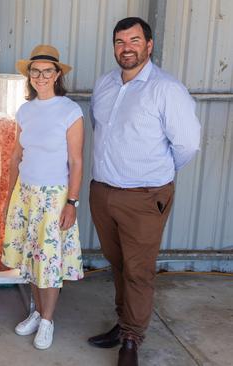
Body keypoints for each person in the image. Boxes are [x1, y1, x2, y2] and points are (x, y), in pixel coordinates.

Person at [88, 17, 200, 366]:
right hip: (103, 192)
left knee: (138, 270)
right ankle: (123, 324)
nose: (127, 48)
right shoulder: (105, 84)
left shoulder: (166, 89)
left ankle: (132, 339)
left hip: (144, 196)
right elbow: (101, 129)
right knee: (118, 263)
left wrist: (157, 177)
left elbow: (187, 144)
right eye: (120, 41)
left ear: (148, 45)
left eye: (134, 40)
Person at [2, 44, 84, 350]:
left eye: (47, 71)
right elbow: (15, 157)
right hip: (25, 194)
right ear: (29, 75)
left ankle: (48, 319)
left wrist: (72, 203)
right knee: (32, 258)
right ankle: (37, 312)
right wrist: (10, 198)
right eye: (35, 71)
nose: (41, 76)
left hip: (53, 197)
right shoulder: (24, 110)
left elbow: (76, 162)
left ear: (57, 74)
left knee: (49, 263)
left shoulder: (70, 111)